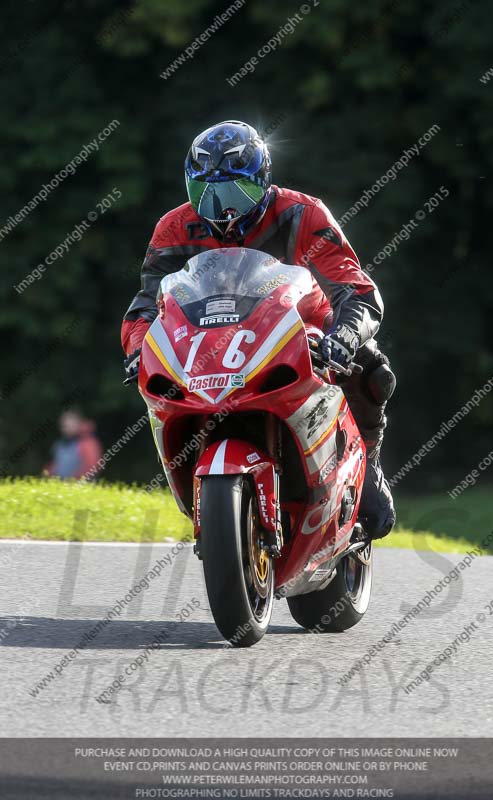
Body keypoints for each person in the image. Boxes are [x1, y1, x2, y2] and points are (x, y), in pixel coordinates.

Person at [121, 121, 396, 538]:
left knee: (372, 367)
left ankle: (369, 463)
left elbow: (357, 290)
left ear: (263, 181)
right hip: (208, 344)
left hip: (302, 327)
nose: (221, 210)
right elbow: (145, 305)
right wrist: (139, 350)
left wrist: (344, 337)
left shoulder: (302, 213)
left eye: (234, 193)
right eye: (205, 193)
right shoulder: (173, 227)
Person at [45, 409, 102, 480]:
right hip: (60, 486)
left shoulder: (88, 443)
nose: (65, 428)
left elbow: (93, 468)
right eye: (64, 425)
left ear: (79, 424)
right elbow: (54, 465)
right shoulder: (59, 444)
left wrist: (74, 480)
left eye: (69, 425)